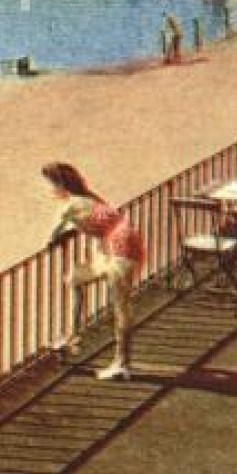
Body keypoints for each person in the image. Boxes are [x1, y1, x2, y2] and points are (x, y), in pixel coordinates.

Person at [42, 162, 144, 381]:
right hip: (118, 246)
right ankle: (73, 337)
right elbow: (94, 221)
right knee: (74, 278)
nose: (50, 190)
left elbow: (52, 236)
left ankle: (122, 363)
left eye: (51, 185)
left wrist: (56, 239)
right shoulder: (89, 198)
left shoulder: (70, 205)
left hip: (120, 250)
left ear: (60, 185)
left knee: (121, 305)